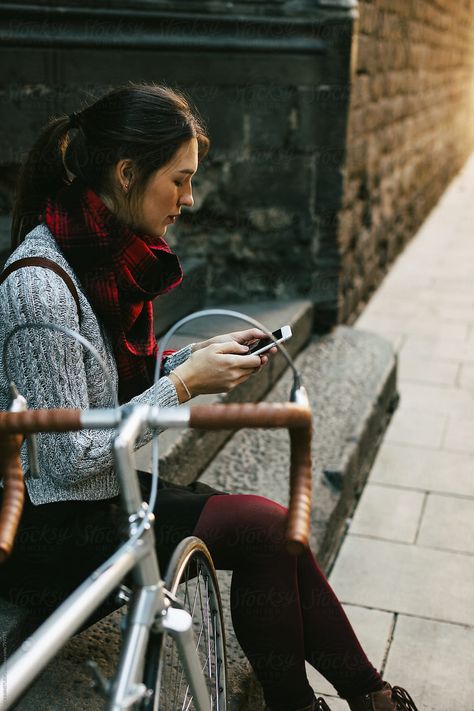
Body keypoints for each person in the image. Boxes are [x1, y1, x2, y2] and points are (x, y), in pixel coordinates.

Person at [0, 83, 418, 711]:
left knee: (274, 531)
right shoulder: (41, 287)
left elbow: (102, 381)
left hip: (93, 498)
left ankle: (369, 698)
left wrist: (188, 361)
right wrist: (183, 385)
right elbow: (65, 460)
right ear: (125, 173)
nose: (188, 200)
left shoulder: (100, 254)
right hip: (45, 527)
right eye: (180, 180)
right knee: (263, 528)